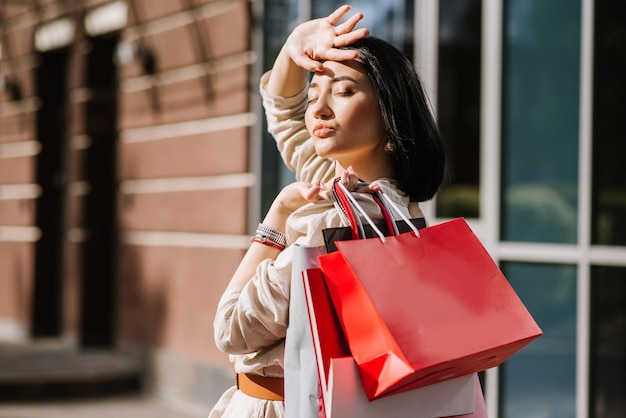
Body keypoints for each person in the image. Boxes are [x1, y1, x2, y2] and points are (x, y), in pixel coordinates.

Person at [209, 5, 445, 418]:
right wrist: (293, 47)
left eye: (344, 92)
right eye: (314, 93)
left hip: (279, 406)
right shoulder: (390, 205)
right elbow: (284, 114)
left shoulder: (331, 222)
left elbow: (231, 330)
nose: (317, 110)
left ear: (391, 123)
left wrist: (277, 217)